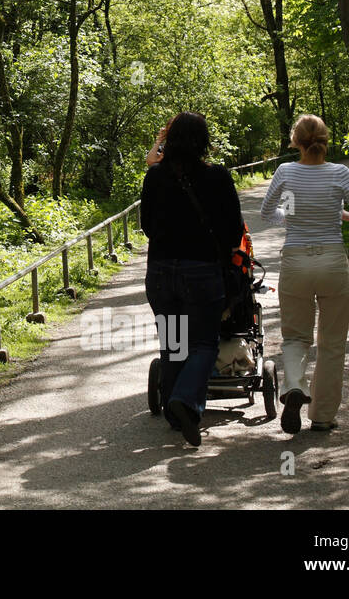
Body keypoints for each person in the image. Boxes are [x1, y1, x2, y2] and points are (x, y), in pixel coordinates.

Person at [260, 114, 349, 435]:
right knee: (332, 343)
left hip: (296, 261)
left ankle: (295, 386)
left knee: (295, 336)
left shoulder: (286, 171)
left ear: (296, 141)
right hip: (333, 261)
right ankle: (322, 416)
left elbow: (268, 214)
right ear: (325, 140)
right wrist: (341, 215)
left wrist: (294, 219)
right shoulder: (340, 173)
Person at [141, 112, 245, 447]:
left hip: (160, 273)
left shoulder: (155, 177)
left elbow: (145, 225)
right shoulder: (218, 177)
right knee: (203, 343)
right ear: (204, 141)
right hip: (201, 272)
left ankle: (176, 416)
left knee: (173, 343)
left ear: (170, 141)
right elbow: (233, 230)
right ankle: (185, 400)